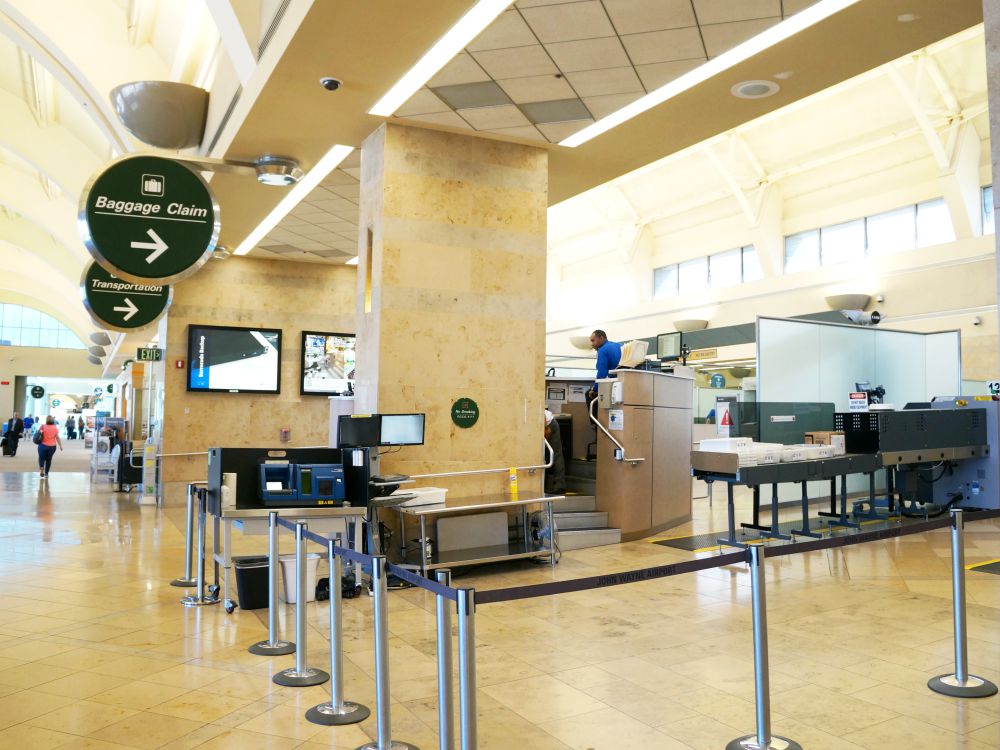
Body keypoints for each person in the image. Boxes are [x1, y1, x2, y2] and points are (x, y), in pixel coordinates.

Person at [586, 329, 622, 399]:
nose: (592, 344)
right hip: (623, 383)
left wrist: (594, 389)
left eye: (593, 340)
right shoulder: (619, 345)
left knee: (588, 393)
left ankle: (596, 410)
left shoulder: (602, 350)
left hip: (613, 384)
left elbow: (602, 374)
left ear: (601, 338)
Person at [543, 409, 566, 494]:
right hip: (547, 423)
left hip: (548, 425)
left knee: (556, 454)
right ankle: (558, 485)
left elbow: (542, 417)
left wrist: (546, 429)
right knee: (555, 455)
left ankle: (560, 486)